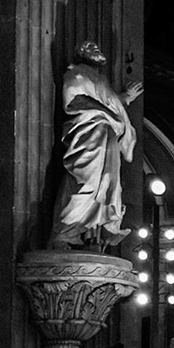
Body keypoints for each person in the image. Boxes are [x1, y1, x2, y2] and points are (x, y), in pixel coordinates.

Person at [50, 41, 142, 251]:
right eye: (90, 47)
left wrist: (125, 98)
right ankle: (64, 233)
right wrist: (109, 113)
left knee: (108, 184)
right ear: (80, 54)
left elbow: (109, 102)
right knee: (87, 181)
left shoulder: (100, 80)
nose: (97, 49)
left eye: (98, 47)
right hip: (91, 133)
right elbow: (75, 100)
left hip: (107, 135)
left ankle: (92, 234)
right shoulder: (77, 73)